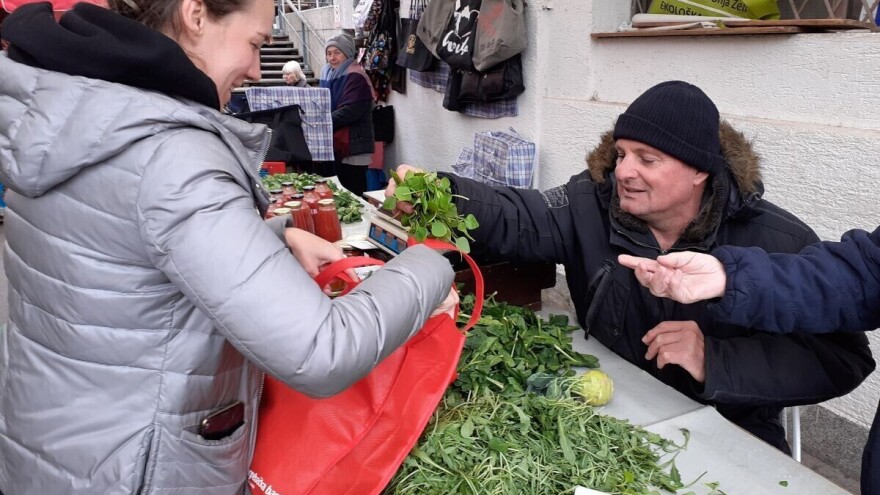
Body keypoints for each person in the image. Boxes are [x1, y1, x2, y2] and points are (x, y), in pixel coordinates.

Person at [0, 1, 457, 494]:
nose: (256, 68)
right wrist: (431, 264)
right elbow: (321, 351)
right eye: (255, 43)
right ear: (196, 15)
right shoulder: (170, 153)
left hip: (56, 442)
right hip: (135, 470)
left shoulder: (79, 109)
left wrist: (275, 237)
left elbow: (125, 256)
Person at [386, 81, 875, 454]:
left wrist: (715, 359)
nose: (623, 171)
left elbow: (843, 359)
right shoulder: (591, 202)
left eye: (647, 158)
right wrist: (440, 191)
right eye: (621, 154)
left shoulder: (778, 242)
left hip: (728, 431)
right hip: (605, 412)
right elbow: (520, 214)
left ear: (700, 170)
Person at [619, 227, 880, 495]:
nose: (624, 181)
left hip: (733, 447)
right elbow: (861, 276)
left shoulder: (779, 234)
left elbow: (841, 359)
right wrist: (729, 279)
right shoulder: (584, 202)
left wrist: (715, 360)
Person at [320, 33, 375, 197]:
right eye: (329, 53)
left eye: (337, 52)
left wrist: (320, 122)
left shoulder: (356, 76)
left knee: (353, 193)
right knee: (337, 192)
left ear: (348, 53)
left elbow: (351, 111)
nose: (332, 57)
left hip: (353, 144)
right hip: (336, 142)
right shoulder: (328, 74)